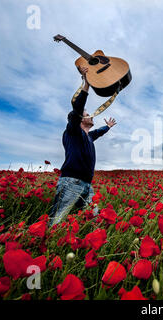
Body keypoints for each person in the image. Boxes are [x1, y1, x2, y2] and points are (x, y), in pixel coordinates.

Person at [49, 66, 117, 227]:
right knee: (58, 219)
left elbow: (98, 132)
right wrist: (86, 84)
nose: (91, 115)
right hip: (71, 182)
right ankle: (46, 243)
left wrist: (107, 127)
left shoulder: (88, 137)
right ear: (79, 119)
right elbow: (78, 108)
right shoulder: (73, 131)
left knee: (95, 219)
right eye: (87, 115)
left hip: (87, 184)